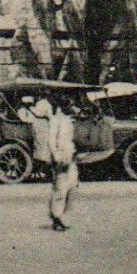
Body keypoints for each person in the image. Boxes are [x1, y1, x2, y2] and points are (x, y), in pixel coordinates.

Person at [47, 94, 78, 232]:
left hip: (70, 155)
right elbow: (52, 140)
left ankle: (63, 215)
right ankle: (57, 217)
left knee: (72, 185)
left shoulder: (68, 120)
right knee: (60, 188)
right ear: (63, 106)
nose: (71, 107)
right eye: (69, 105)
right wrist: (56, 155)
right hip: (60, 156)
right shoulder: (55, 120)